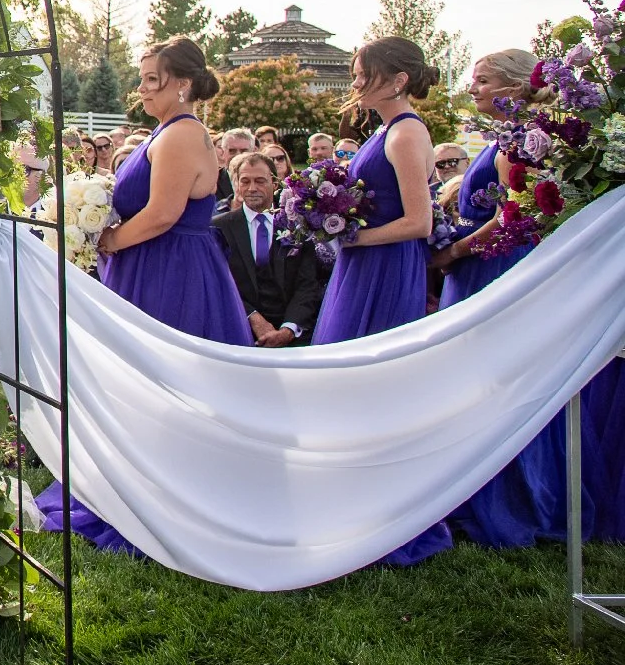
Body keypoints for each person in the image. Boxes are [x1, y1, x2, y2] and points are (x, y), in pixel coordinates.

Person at [39, 36, 252, 555]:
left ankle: (166, 492)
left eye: (151, 79)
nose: (142, 88)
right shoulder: (167, 131)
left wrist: (105, 239)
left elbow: (162, 214)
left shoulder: (181, 135)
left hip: (170, 270)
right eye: (142, 78)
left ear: (182, 84)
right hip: (154, 262)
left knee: (162, 378)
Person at [429, 50, 586, 547]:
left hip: (497, 267)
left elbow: (511, 216)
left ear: (516, 87)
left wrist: (452, 248)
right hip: (480, 266)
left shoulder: (521, 143)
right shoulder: (505, 137)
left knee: (500, 382)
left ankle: (515, 501)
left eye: (483, 80)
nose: (473, 88)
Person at [310, 36, 452, 565]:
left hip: (385, 270)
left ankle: (385, 512)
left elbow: (419, 221)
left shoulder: (407, 132)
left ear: (396, 80)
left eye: (361, 71)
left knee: (375, 384)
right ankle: (348, 499)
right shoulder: (387, 129)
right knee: (349, 382)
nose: (353, 81)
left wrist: (351, 239)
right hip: (366, 265)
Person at [214, 150, 322, 346]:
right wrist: (252, 317)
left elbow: (307, 285)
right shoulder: (219, 228)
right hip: (237, 332)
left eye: (260, 181)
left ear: (274, 183)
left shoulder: (297, 225)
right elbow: (218, 283)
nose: (252, 188)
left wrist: (289, 329)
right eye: (245, 181)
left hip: (294, 336)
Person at [212, 127, 257, 206]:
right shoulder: (212, 181)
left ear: (253, 152)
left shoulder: (264, 180)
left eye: (244, 151)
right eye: (232, 150)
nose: (238, 155)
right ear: (223, 152)